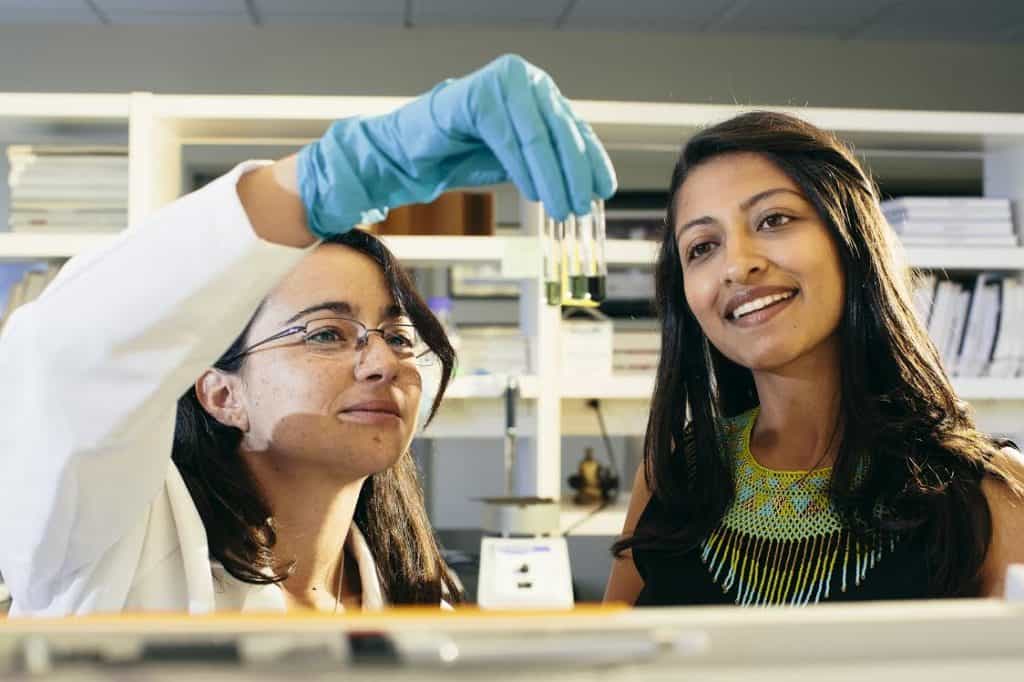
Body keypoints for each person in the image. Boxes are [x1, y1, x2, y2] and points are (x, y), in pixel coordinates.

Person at [0, 54, 616, 616]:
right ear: (221, 394)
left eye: (398, 336)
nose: (383, 362)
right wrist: (324, 179)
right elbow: (60, 357)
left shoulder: (422, 602)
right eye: (327, 333)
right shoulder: (116, 549)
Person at [604, 111, 1024, 607]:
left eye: (774, 220)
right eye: (702, 247)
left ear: (852, 240)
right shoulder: (671, 476)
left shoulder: (990, 494)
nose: (738, 265)